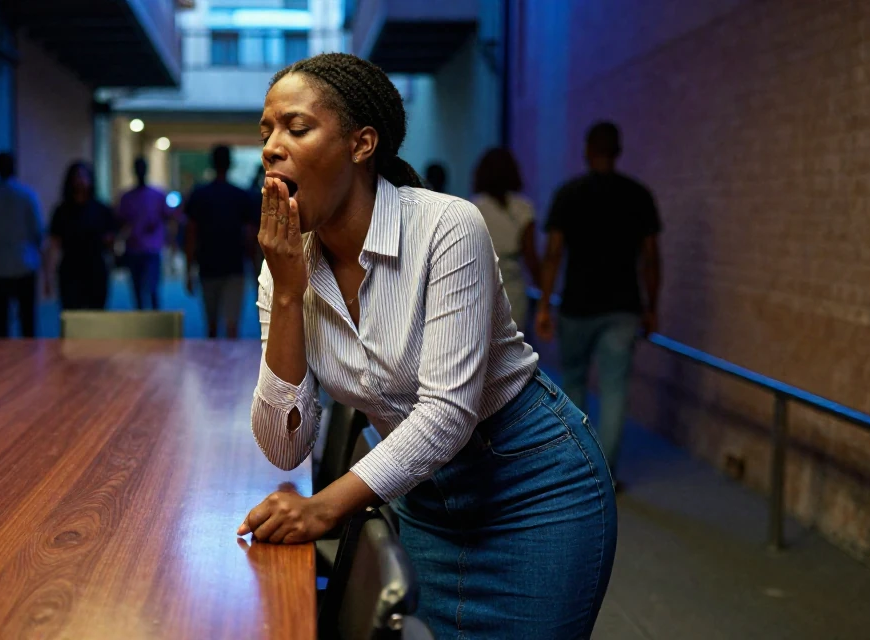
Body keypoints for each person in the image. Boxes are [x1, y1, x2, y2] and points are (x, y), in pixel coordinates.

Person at [237, 53, 616, 639]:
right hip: (427, 502)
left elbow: (447, 414)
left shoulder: (447, 227)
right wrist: (287, 295)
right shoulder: (284, 270)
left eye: (296, 127)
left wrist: (325, 506)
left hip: (535, 489)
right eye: (266, 132)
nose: (271, 146)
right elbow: (284, 448)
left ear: (362, 145)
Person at [536, 121, 662, 485]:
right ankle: (605, 474)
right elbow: (651, 258)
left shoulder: (569, 194)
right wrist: (653, 306)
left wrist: (545, 303)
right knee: (615, 389)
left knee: (573, 382)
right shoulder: (639, 196)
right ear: (618, 150)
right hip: (624, 307)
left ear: (587, 150)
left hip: (577, 305)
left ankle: (580, 469)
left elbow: (554, 252)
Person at [184, 145, 257, 339]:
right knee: (232, 326)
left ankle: (212, 365)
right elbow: (250, 234)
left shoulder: (199, 195)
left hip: (208, 266)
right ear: (230, 164)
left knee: (211, 325)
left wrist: (188, 269)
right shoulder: (241, 196)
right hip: (234, 266)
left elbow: (191, 234)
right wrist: (252, 263)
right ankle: (230, 366)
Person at [471, 148, 541, 329]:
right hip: (514, 292)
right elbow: (530, 256)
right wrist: (545, 294)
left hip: (480, 291)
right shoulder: (523, 208)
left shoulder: (474, 207)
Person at [0, 152, 42, 338]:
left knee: (0, 326)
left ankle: (1, 364)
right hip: (24, 265)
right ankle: (29, 364)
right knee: (28, 324)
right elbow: (37, 231)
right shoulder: (27, 195)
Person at [48, 161, 117, 311]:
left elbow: (111, 243)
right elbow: (54, 244)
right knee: (72, 315)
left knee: (96, 316)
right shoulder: (62, 211)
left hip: (95, 270)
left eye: (84, 176)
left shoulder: (101, 209)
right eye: (77, 177)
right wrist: (48, 277)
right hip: (70, 271)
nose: (80, 181)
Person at [116, 157, 173, 310]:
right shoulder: (126, 197)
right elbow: (120, 222)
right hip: (134, 249)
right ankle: (141, 325)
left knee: (153, 289)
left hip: (152, 250)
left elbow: (168, 217)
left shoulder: (158, 195)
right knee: (137, 292)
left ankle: (155, 324)